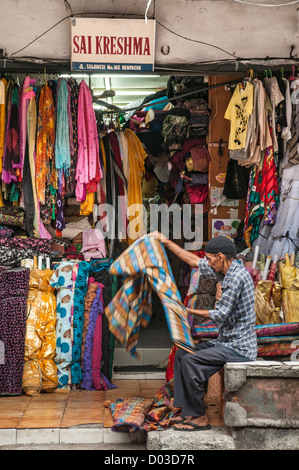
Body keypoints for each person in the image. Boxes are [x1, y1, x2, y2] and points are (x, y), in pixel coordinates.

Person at [150, 231, 257, 431]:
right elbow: (193, 261)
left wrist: (186, 310)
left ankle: (199, 417)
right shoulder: (223, 269)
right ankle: (186, 411)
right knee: (183, 352)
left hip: (239, 348)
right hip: (226, 342)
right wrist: (165, 241)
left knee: (192, 361)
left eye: (209, 259)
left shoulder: (236, 278)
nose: (206, 263)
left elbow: (220, 314)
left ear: (220, 257)